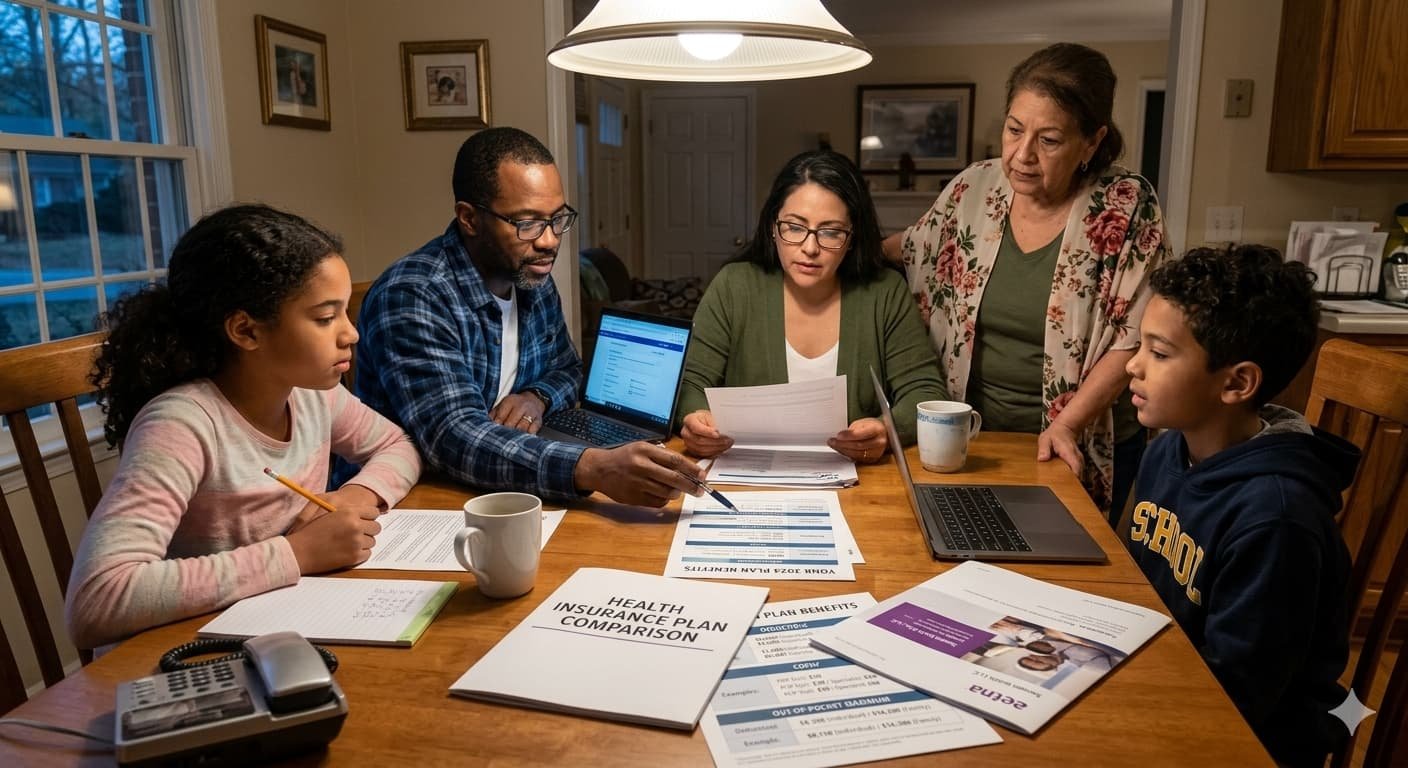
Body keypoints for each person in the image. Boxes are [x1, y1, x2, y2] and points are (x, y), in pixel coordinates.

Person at [65, 205, 421, 649]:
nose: (351, 334)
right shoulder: (181, 425)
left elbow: (397, 445)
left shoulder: (311, 394)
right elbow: (96, 600)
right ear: (246, 331)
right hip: (185, 653)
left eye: (345, 313)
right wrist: (298, 553)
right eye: (325, 318)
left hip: (281, 624)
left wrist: (353, 496)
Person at [883, 43, 1169, 518]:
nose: (1022, 155)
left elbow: (1134, 335)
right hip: (976, 438)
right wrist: (838, 246)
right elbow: (915, 246)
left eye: (1049, 140)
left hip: (1073, 438)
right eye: (1014, 130)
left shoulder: (1126, 205)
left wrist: (1067, 425)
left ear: (1092, 142)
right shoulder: (975, 187)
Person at [354, 127, 702, 506]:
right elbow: (453, 435)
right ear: (469, 218)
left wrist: (537, 397)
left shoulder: (529, 278)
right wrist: (593, 468)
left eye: (557, 219)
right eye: (527, 223)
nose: (549, 240)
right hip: (410, 504)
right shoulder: (414, 295)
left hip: (500, 489)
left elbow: (568, 369)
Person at [1124, 245, 1358, 767]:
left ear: (1236, 383)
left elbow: (1240, 693)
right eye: (1140, 345)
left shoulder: (1276, 519)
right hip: (1165, 684)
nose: (1133, 365)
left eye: (1159, 353)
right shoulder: (1167, 450)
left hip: (1246, 740)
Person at [676, 150, 946, 461]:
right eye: (794, 227)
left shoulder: (885, 292)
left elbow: (925, 392)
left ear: (852, 238)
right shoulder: (733, 286)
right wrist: (696, 418)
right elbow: (689, 382)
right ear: (773, 227)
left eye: (830, 232)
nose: (810, 248)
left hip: (859, 479)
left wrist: (887, 430)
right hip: (748, 477)